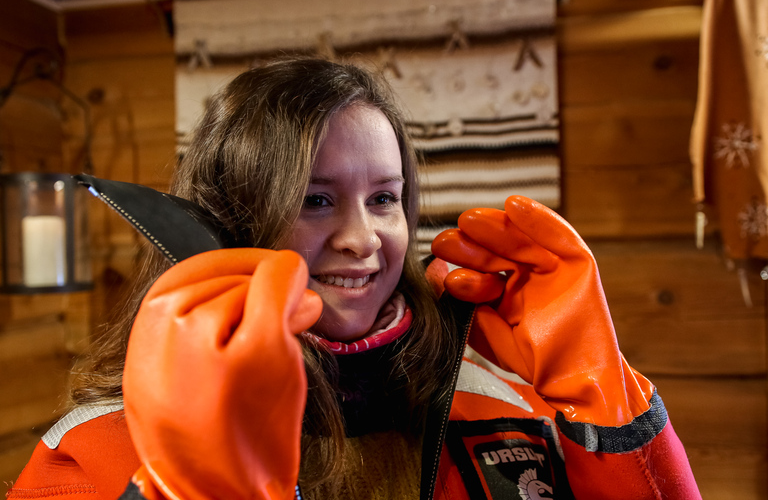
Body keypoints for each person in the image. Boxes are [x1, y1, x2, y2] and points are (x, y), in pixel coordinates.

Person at [7, 57, 701, 500]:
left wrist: (612, 410)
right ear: (232, 222)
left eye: (384, 198)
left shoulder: (508, 408)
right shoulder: (97, 447)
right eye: (315, 200)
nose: (363, 239)